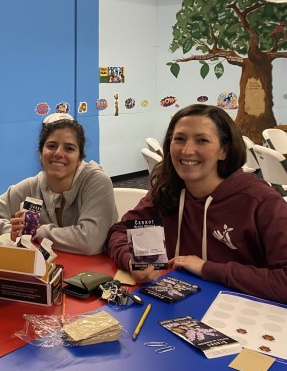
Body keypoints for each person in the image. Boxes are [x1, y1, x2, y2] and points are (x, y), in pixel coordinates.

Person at [106, 104, 287, 304]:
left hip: (240, 317)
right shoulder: (167, 190)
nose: (187, 150)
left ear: (224, 151)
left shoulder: (262, 203)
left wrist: (206, 268)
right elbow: (120, 231)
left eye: (202, 140)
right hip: (171, 309)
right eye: (179, 139)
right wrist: (133, 261)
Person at [0, 115, 118, 255]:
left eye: (69, 148)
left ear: (80, 158)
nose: (58, 153)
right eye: (51, 146)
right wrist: (10, 230)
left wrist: (36, 232)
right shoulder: (31, 186)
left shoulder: (96, 182)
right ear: (41, 153)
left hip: (95, 272)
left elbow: (90, 241)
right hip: (49, 270)